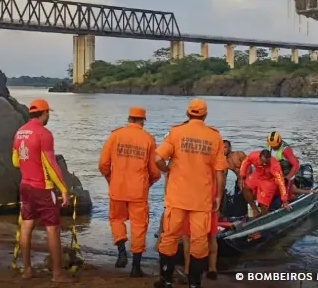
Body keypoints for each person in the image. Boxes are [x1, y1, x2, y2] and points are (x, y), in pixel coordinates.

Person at [154, 98, 227, 288]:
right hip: (201, 200)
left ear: (188, 113)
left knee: (169, 237)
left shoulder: (176, 132)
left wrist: (167, 170)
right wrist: (218, 196)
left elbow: (157, 159)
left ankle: (166, 280)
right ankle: (195, 283)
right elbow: (220, 172)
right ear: (205, 115)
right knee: (199, 241)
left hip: (177, 197)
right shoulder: (214, 137)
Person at [11, 99, 75, 283]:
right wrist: (63, 189)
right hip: (43, 188)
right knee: (52, 229)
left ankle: (27, 269)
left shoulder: (20, 132)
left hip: (25, 186)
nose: (49, 116)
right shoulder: (44, 133)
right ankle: (57, 274)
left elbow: (15, 161)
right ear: (44, 113)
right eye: (48, 113)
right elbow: (51, 164)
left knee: (26, 226)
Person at [98, 107, 160, 277]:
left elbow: (103, 164)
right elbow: (155, 172)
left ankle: (121, 252)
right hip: (138, 192)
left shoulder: (115, 135)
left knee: (116, 219)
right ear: (142, 121)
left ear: (129, 118)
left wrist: (111, 180)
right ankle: (136, 267)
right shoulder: (148, 139)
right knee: (139, 226)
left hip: (117, 188)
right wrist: (149, 183)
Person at [238, 150, 291, 217]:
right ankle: (255, 210)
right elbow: (246, 161)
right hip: (258, 174)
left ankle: (264, 215)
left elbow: (281, 182)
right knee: (245, 186)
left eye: (266, 163)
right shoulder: (253, 155)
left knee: (263, 203)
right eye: (262, 162)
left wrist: (284, 200)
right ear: (259, 157)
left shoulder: (275, 166)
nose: (264, 164)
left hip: (269, 180)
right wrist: (242, 176)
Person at [266, 131, 300, 199]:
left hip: (287, 174)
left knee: (286, 196)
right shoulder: (269, 145)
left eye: (275, 146)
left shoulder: (286, 150)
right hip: (276, 174)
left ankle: (293, 196)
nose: (273, 148)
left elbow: (296, 165)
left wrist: (287, 178)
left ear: (279, 141)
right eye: (272, 146)